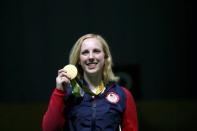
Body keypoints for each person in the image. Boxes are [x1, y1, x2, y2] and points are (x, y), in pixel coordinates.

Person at [42, 33, 138, 131]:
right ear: (79, 60)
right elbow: (49, 129)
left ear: (105, 57)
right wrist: (59, 92)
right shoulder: (66, 93)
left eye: (96, 51)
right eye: (85, 52)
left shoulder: (122, 94)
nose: (91, 57)